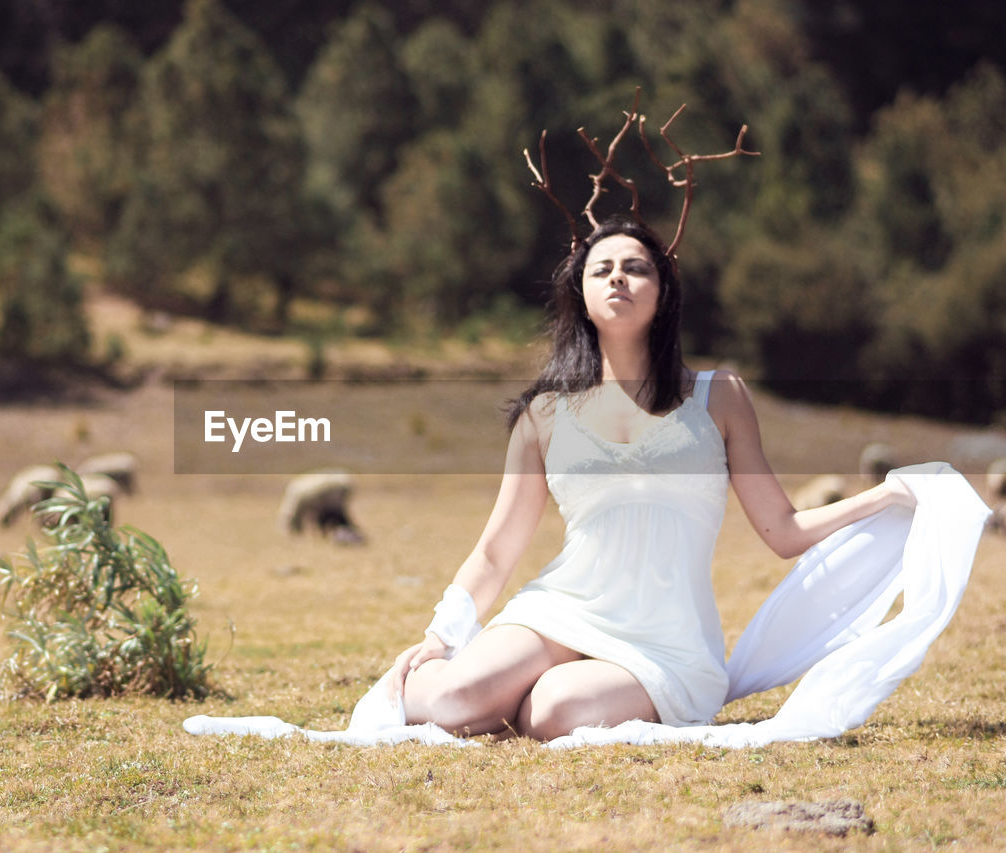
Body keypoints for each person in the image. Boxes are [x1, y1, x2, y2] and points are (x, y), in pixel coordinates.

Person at [389, 216, 916, 742]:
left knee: (553, 709)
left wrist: (886, 495)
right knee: (450, 700)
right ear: (582, 293)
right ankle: (460, 685)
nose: (618, 277)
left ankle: (522, 693)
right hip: (559, 613)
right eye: (603, 270)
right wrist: (442, 635)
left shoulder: (719, 395)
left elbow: (784, 529)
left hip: (666, 644)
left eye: (636, 268)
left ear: (663, 294)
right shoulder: (544, 414)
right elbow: (495, 552)